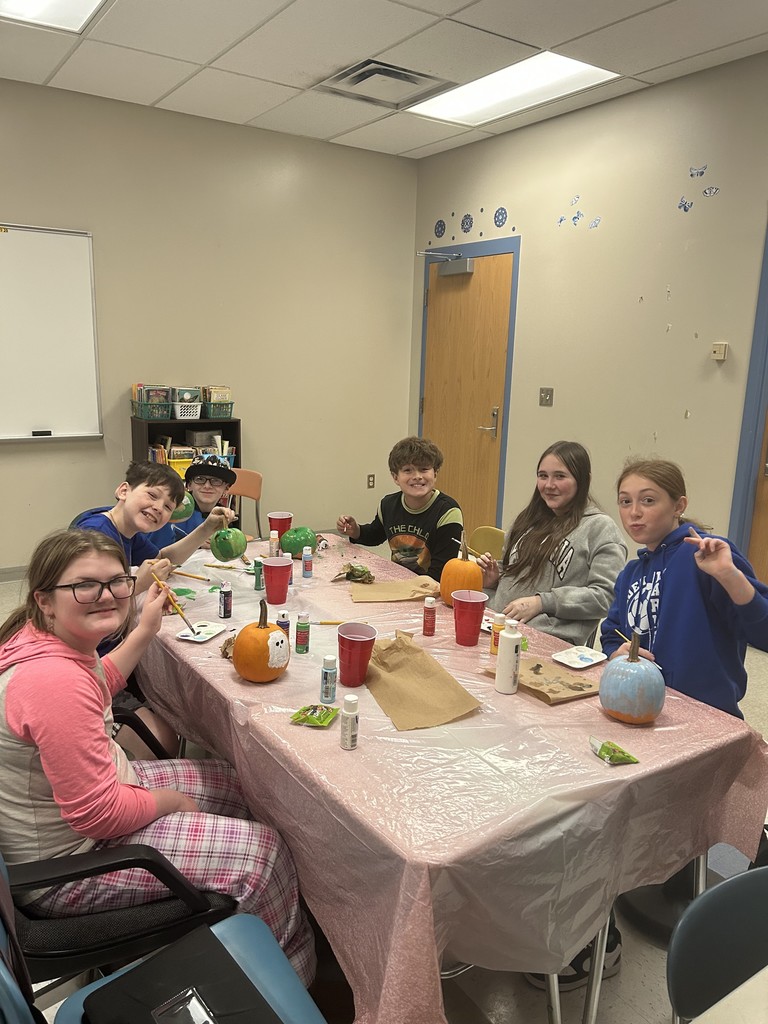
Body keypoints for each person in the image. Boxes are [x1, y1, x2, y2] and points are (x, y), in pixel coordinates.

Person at [0, 529, 315, 985]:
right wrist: (173, 802)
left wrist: (145, 629)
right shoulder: (51, 682)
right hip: (66, 866)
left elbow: (97, 685)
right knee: (264, 855)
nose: (106, 595)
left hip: (101, 800)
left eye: (116, 582)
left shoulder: (43, 639)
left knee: (235, 782)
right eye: (85, 585)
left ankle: (249, 917)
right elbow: (97, 814)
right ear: (45, 600)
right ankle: (286, 983)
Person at [601, 456, 768, 718]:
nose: (634, 512)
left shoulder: (707, 555)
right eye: (625, 502)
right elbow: (611, 634)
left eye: (648, 500)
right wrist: (616, 653)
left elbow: (763, 633)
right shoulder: (630, 574)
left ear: (678, 506)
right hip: (640, 709)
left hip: (704, 714)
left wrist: (729, 576)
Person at [478, 440, 627, 645]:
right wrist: (493, 579)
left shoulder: (600, 529)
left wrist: (542, 602)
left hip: (546, 643)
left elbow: (606, 597)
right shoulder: (528, 519)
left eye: (560, 476)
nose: (549, 485)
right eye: (543, 476)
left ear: (583, 480)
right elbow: (511, 569)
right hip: (495, 627)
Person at [76, 460, 236, 594]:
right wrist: (139, 584)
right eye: (152, 495)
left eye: (167, 507)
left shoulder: (129, 532)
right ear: (124, 491)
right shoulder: (95, 534)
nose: (159, 508)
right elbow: (92, 599)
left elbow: (162, 560)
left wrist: (206, 528)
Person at [336, 436, 463, 582]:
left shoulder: (448, 512)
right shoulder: (388, 505)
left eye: (424, 469)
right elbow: (375, 535)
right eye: (408, 470)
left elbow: (442, 572)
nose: (417, 476)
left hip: (430, 586)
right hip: (400, 580)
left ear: (435, 474)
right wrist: (355, 530)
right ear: (395, 477)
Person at [150, 454, 237, 548]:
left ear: (226, 488)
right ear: (189, 485)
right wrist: (196, 543)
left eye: (216, 481)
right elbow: (156, 548)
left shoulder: (223, 516)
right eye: (200, 479)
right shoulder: (173, 510)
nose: (207, 486)